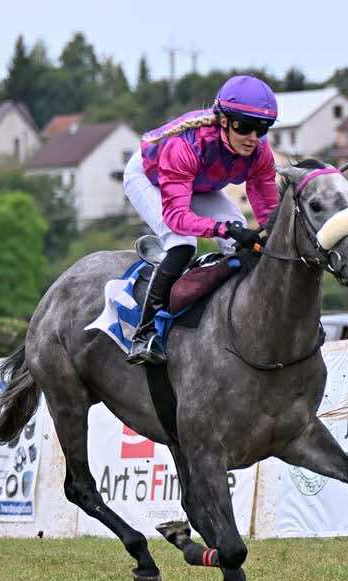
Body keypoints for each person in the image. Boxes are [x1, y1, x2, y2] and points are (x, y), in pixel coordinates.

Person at [122, 75, 280, 365]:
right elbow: (177, 217)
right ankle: (145, 333)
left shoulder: (259, 152)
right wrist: (222, 228)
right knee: (183, 243)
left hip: (199, 183)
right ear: (223, 121)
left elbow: (269, 210)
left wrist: (272, 236)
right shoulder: (186, 146)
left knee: (242, 241)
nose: (253, 137)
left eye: (262, 129)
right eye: (244, 127)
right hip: (149, 178)